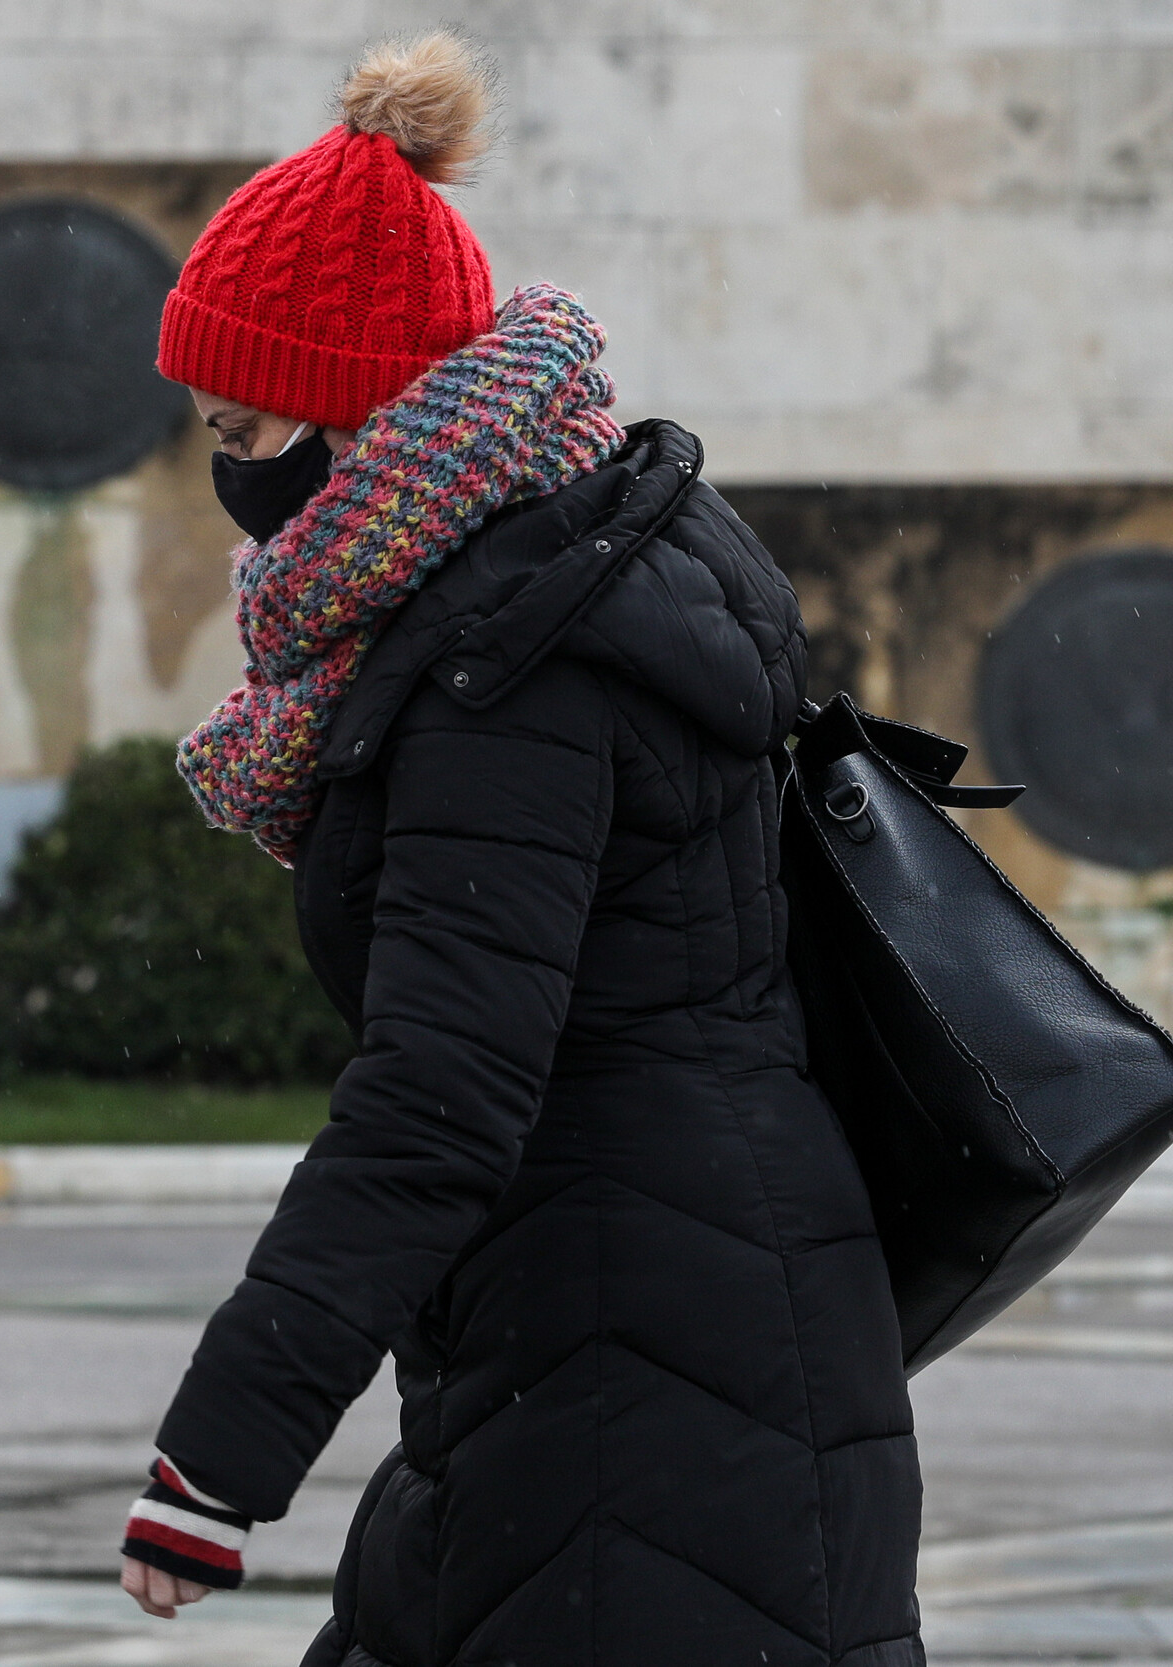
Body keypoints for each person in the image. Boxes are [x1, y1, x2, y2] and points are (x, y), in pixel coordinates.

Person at [118, 31, 923, 1667]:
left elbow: (446, 1086)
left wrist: (225, 1446)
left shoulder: (510, 670)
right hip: (650, 1327)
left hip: (636, 1373)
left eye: (251, 429)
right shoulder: (573, 570)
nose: (230, 482)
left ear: (365, 423)